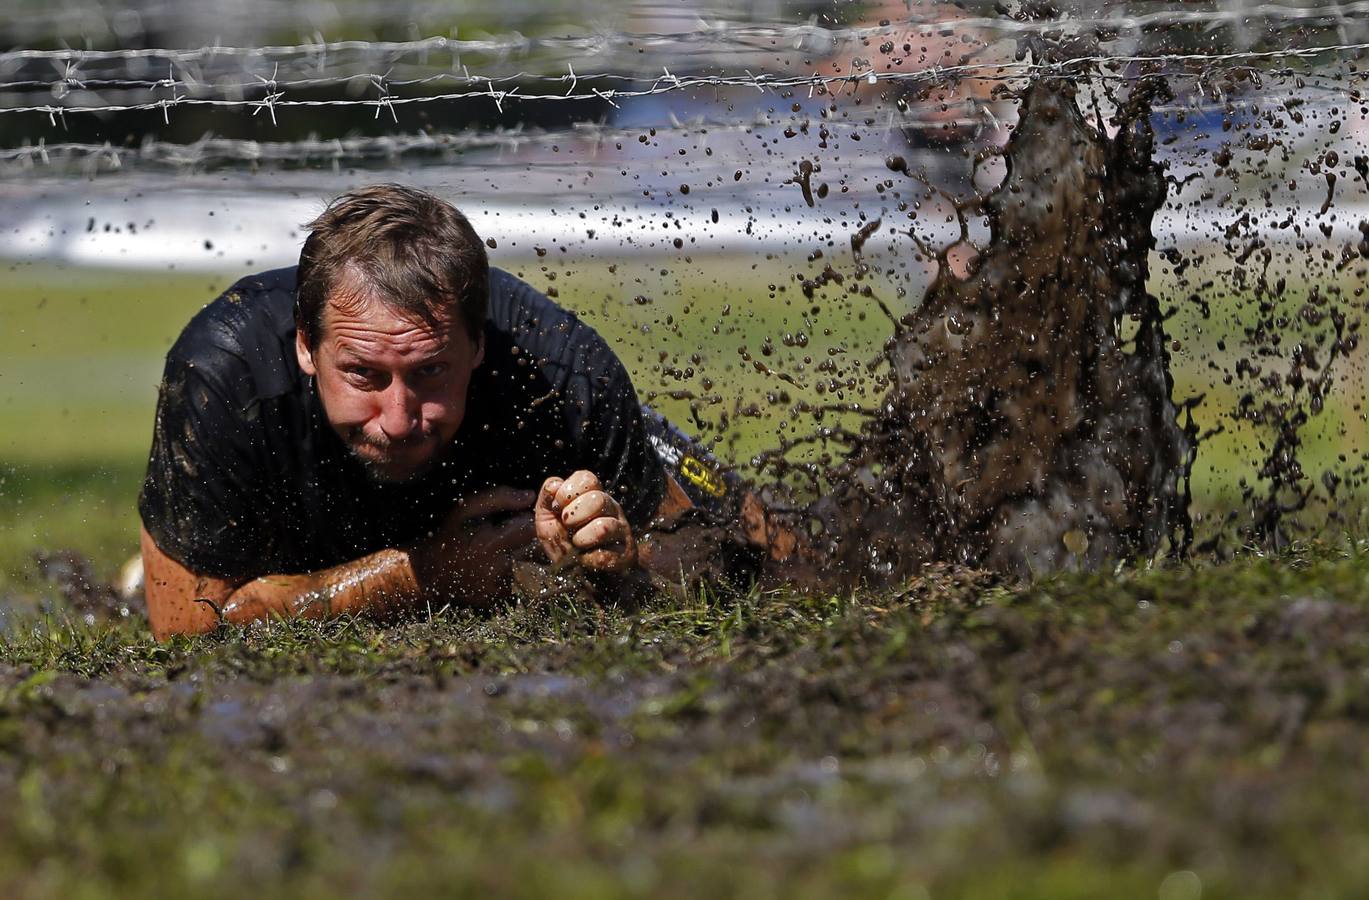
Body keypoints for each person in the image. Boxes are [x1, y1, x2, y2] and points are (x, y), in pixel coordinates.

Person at [138, 184, 777, 639]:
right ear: (307, 344)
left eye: (429, 372)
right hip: (300, 531)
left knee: (781, 554)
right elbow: (186, 628)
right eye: (363, 373)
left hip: (607, 437)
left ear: (476, 344)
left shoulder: (562, 372)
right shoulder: (224, 373)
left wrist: (620, 555)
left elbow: (704, 554)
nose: (398, 416)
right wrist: (422, 575)